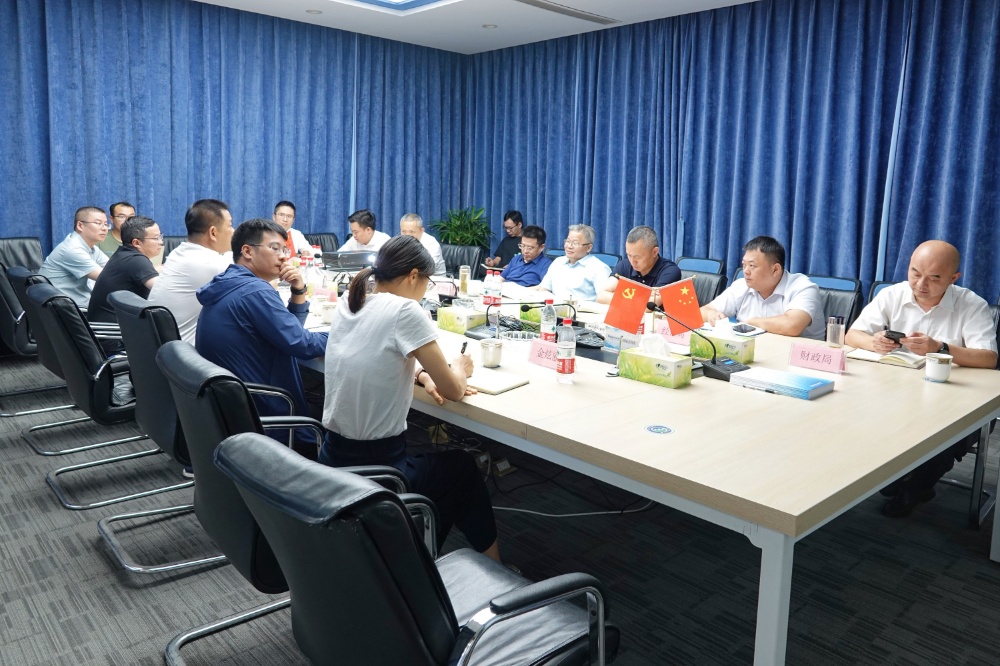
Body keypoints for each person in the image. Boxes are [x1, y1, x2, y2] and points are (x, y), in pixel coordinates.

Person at [319, 234, 502, 562]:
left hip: (332, 459)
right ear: (414, 276)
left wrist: (420, 374)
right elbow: (453, 390)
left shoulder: (352, 300)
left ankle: (412, 555)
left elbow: (372, 352)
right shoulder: (405, 310)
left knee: (445, 476)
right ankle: (491, 568)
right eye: (428, 282)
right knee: (462, 468)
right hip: (378, 469)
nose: (426, 290)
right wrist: (460, 368)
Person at [846, 240, 998, 517]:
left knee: (940, 435)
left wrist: (940, 348)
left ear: (953, 278)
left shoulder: (971, 304)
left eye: (934, 278)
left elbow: (988, 358)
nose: (920, 284)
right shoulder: (892, 295)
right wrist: (874, 342)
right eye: (915, 273)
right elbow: (852, 335)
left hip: (952, 400)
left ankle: (916, 485)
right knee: (855, 414)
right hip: (894, 394)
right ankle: (897, 477)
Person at [196, 218, 328, 455]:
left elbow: (287, 334)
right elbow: (302, 344)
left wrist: (298, 291)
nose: (284, 257)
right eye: (275, 248)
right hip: (266, 411)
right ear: (247, 251)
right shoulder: (254, 291)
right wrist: (345, 334)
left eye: (285, 250)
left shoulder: (230, 282)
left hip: (235, 407)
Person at [700, 236, 825, 339]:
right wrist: (712, 315)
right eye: (744, 265)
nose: (745, 271)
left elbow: (792, 325)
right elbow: (703, 311)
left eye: (752, 266)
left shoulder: (803, 288)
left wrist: (751, 323)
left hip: (797, 357)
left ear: (775, 269)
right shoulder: (741, 286)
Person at [147, 199, 234, 344]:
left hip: (162, 349)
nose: (233, 231)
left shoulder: (179, 253)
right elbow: (259, 285)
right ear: (213, 232)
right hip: (183, 353)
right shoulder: (210, 264)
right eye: (230, 225)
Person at [87, 216, 162, 325]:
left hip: (112, 327)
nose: (161, 242)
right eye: (156, 238)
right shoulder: (136, 260)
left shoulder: (124, 254)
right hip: (113, 332)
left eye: (160, 236)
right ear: (136, 243)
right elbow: (163, 290)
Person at [39, 206, 110, 308]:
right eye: (98, 223)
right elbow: (107, 278)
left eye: (106, 224)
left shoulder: (91, 248)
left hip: (77, 305)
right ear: (80, 225)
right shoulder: (72, 249)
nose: (104, 228)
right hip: (65, 310)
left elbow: (113, 267)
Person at [597, 226, 681, 305]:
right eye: (629, 255)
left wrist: (618, 298)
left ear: (654, 252)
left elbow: (650, 305)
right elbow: (601, 296)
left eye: (637, 257)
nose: (632, 261)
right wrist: (634, 301)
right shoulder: (624, 265)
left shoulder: (670, 271)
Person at [535, 224, 611, 301]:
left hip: (583, 308)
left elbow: (604, 299)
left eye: (575, 243)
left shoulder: (599, 269)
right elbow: (544, 289)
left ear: (588, 248)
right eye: (568, 241)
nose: (569, 246)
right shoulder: (558, 262)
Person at [99, 201, 164, 267]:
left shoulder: (143, 239)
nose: (127, 220)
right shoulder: (100, 238)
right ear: (111, 219)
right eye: (121, 216)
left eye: (131, 217)